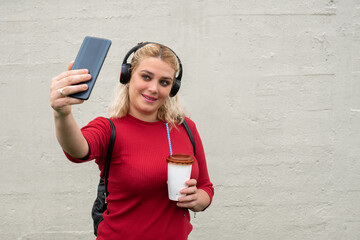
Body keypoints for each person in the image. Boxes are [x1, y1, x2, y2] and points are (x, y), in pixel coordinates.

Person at [50, 42, 214, 240]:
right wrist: (62, 114)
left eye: (164, 82)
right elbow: (77, 150)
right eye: (146, 77)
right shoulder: (108, 129)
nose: (153, 88)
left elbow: (205, 186)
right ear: (127, 77)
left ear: (173, 88)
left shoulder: (185, 128)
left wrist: (198, 200)